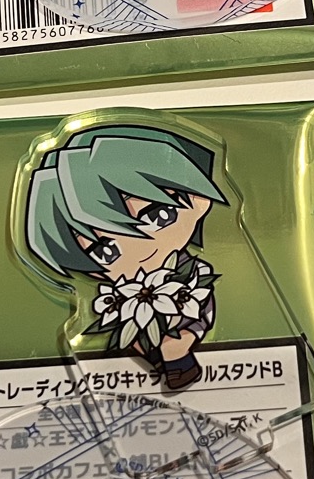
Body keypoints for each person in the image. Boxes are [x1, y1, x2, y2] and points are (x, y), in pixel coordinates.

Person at [23, 124, 228, 390]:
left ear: (198, 200)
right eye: (105, 251)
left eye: (158, 216)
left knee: (178, 336)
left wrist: (182, 336)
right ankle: (167, 363)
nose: (140, 250)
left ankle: (176, 360)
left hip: (185, 324)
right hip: (137, 349)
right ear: (92, 269)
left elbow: (201, 307)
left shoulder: (191, 272)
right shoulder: (117, 298)